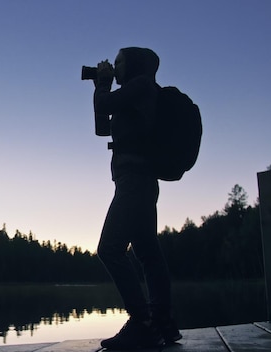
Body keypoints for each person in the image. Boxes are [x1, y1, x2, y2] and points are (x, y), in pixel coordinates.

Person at [92, 47, 182, 350]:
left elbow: (105, 102)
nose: (113, 65)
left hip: (135, 183)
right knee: (147, 253)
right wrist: (101, 87)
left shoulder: (142, 85)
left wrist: (103, 85)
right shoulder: (134, 93)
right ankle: (162, 323)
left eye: (117, 62)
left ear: (132, 64)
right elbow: (102, 128)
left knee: (109, 249)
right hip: (136, 183)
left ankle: (142, 321)